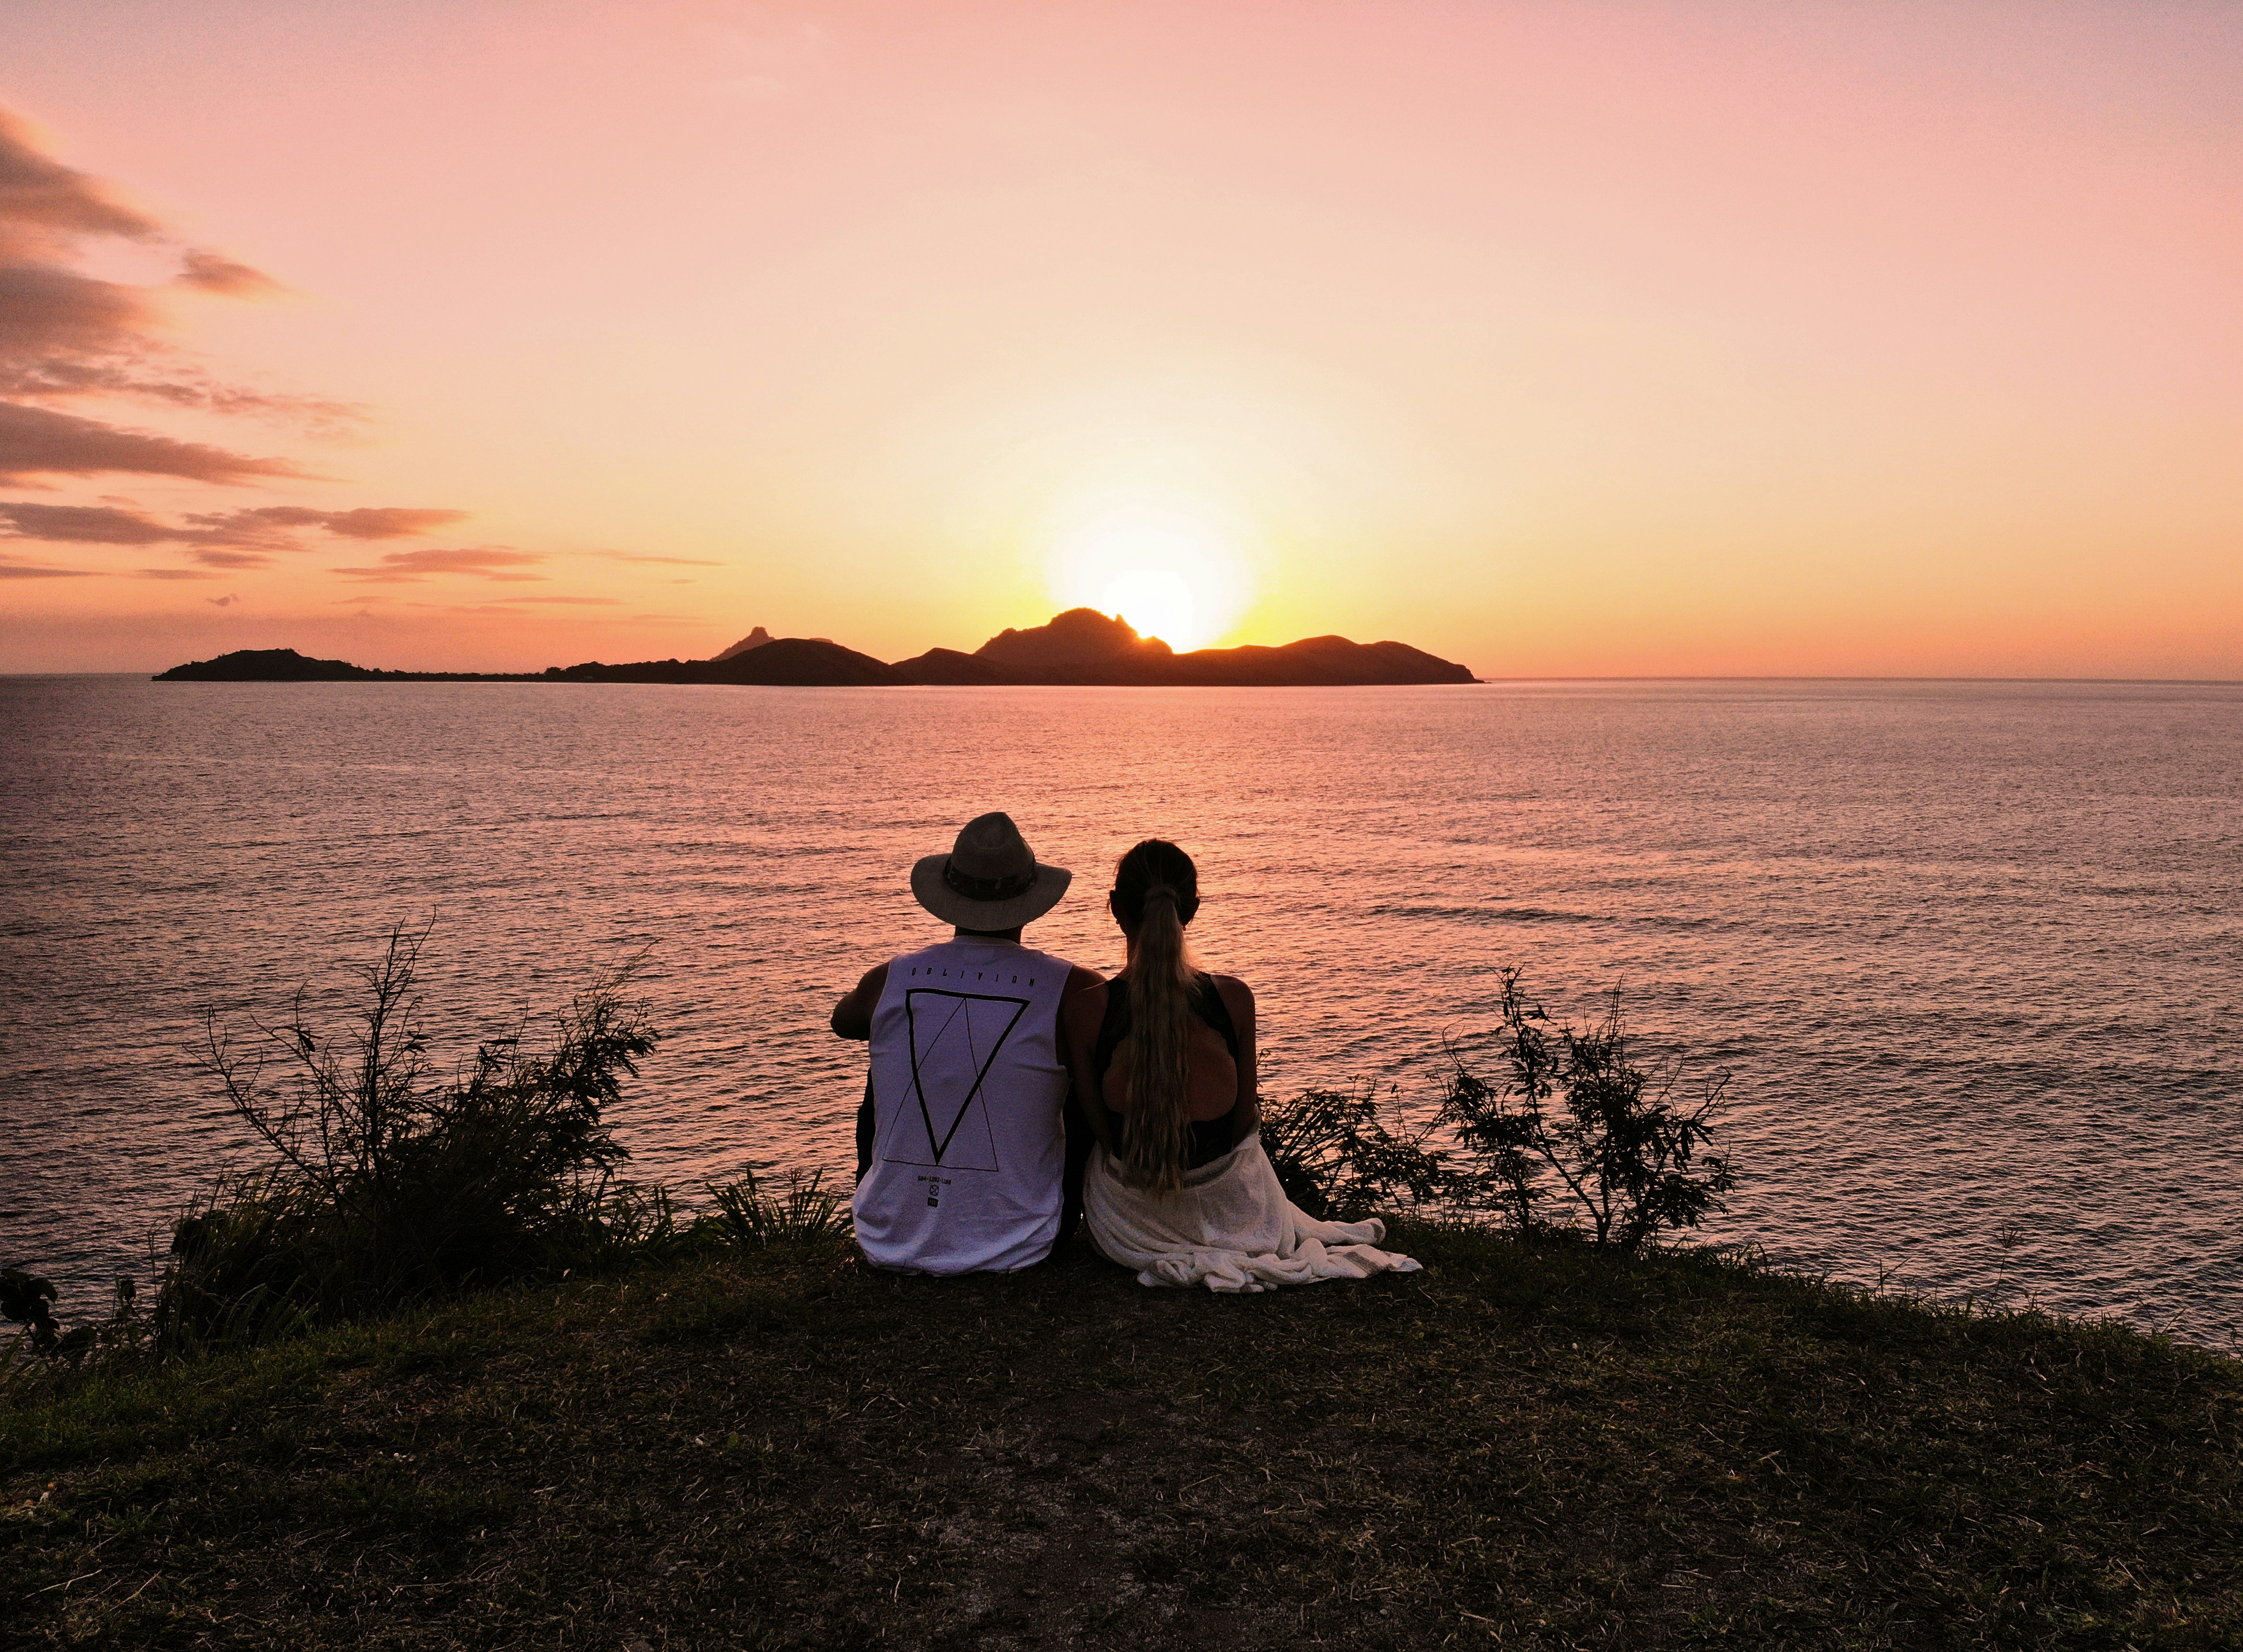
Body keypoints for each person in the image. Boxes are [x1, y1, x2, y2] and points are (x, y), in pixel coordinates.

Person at [1063, 839, 1421, 1292]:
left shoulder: (1087, 1009)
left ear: (1116, 908)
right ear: (1191, 910)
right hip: (1243, 1216)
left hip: (1131, 1224)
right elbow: (1242, 1123)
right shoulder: (1233, 999)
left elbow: (1101, 1132)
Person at [831, 812, 1103, 1273]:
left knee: (886, 1061)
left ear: (950, 895)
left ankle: (900, 1200)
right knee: (1081, 1074)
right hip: (1023, 1242)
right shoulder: (1075, 990)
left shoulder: (889, 979)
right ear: (1030, 898)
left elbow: (844, 1022)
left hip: (885, 1240)